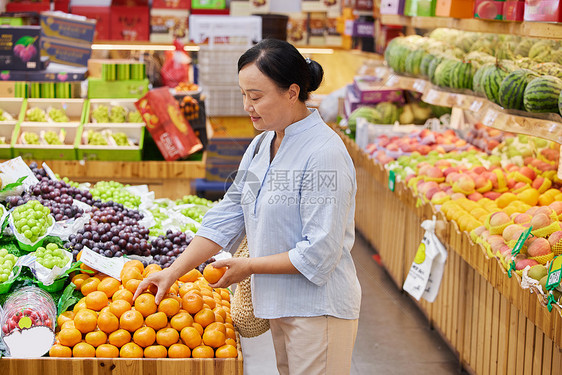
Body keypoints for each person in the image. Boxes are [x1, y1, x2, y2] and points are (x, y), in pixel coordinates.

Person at [135, 39, 361, 374]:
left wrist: (250, 266)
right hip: (282, 305)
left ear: (292, 92)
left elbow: (320, 254)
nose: (247, 106)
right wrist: (173, 272)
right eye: (244, 95)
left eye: (256, 97)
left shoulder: (323, 154)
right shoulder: (262, 145)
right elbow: (229, 214)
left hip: (318, 310)